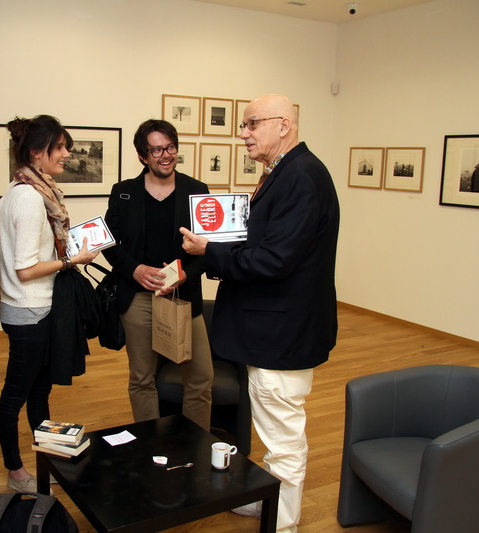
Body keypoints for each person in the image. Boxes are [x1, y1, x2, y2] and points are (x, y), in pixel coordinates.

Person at [181, 94, 340, 533]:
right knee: (272, 428)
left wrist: (209, 251)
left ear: (284, 125)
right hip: (273, 328)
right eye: (243, 124)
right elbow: (266, 244)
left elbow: (273, 260)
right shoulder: (285, 172)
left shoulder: (300, 177)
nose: (243, 133)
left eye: (252, 124)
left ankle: (282, 523)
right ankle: (268, 500)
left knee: (283, 437)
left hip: (281, 334)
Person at [0, 115, 98, 493]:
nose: (67, 154)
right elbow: (25, 270)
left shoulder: (25, 189)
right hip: (28, 311)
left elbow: (0, 230)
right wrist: (72, 261)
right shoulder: (28, 197)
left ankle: (47, 459)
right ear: (38, 152)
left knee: (39, 392)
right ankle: (15, 471)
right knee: (15, 397)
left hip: (34, 308)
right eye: (60, 147)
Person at [102, 119, 213, 430]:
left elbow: (208, 249)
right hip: (138, 299)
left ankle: (195, 445)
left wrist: (185, 275)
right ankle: (150, 445)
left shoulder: (197, 190)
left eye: (170, 147)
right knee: (142, 379)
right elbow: (108, 242)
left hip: (183, 298)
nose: (166, 155)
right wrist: (134, 269)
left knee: (201, 378)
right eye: (156, 150)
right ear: (142, 156)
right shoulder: (124, 192)